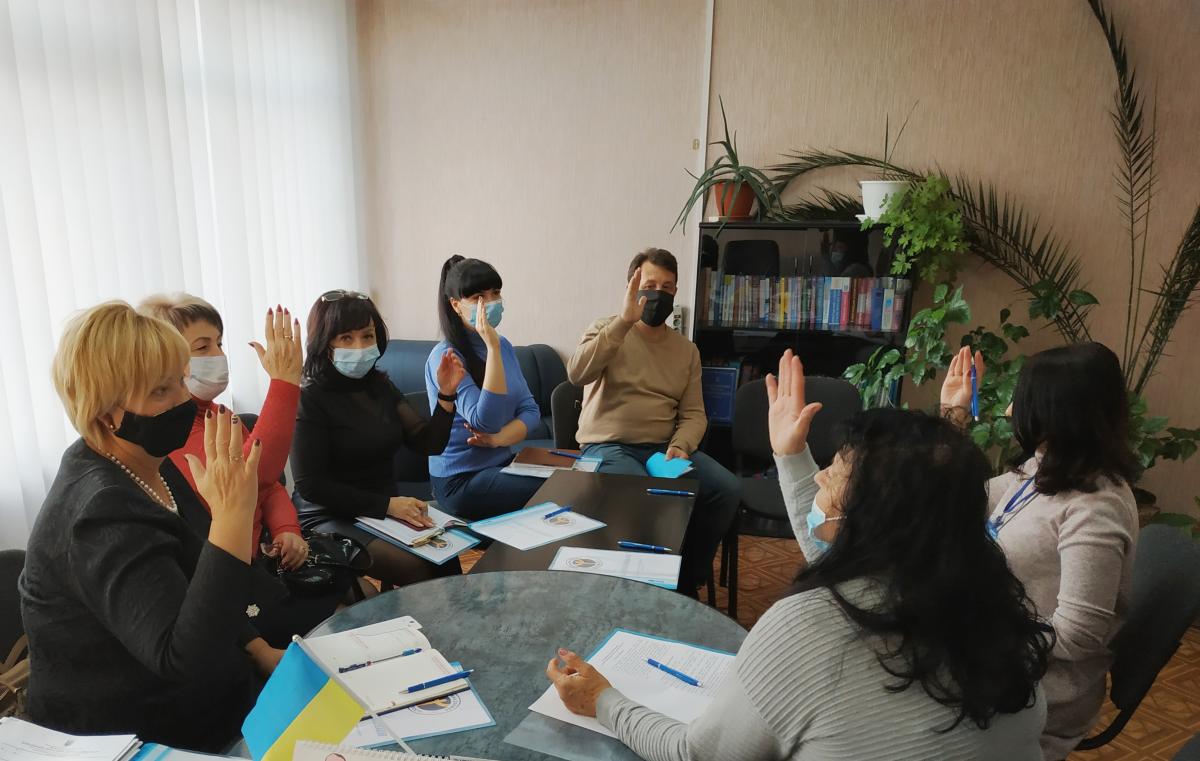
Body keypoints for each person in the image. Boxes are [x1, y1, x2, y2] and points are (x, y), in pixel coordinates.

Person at [546, 349, 1051, 760]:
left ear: (874, 519)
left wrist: (603, 700)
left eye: (837, 472)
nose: (822, 477)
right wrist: (790, 455)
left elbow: (697, 754)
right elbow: (849, 567)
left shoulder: (806, 626)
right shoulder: (995, 605)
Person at [19, 301, 275, 750]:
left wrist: (258, 648)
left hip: (210, 700)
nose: (182, 399)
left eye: (180, 380)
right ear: (106, 414)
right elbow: (185, 659)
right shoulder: (102, 508)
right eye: (160, 391)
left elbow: (196, 576)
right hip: (139, 734)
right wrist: (232, 515)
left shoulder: (147, 463)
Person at [941, 342, 1139, 759]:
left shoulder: (1095, 509)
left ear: (1056, 413)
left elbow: (1077, 637)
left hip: (1039, 693)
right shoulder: (1043, 468)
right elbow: (953, 497)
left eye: (1022, 400)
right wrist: (952, 418)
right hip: (997, 658)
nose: (1011, 410)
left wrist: (979, 637)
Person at [137, 293, 343, 646]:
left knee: (357, 593)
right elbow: (249, 481)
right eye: (202, 347)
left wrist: (287, 529)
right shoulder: (173, 432)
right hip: (233, 586)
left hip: (265, 564)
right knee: (343, 619)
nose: (217, 355)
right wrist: (283, 384)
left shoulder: (219, 414)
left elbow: (270, 486)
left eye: (218, 343)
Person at [565, 248, 740, 594]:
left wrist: (681, 445)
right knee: (647, 495)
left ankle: (686, 578)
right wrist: (623, 322)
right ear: (632, 287)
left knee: (726, 489)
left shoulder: (686, 350)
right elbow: (577, 373)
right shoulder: (605, 328)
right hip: (607, 447)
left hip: (661, 450)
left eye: (667, 287)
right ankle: (640, 585)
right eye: (649, 285)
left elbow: (694, 414)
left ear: (675, 292)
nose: (658, 294)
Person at [291, 289, 466, 587]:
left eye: (367, 336)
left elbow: (429, 443)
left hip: (382, 508)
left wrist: (446, 396)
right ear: (324, 343)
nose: (359, 346)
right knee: (417, 568)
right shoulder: (309, 397)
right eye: (346, 338)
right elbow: (311, 485)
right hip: (328, 516)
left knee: (446, 554)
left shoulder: (380, 386)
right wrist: (387, 505)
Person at [427, 256, 545, 519]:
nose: (490, 302)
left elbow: (531, 410)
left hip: (502, 463)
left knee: (575, 478)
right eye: (478, 297)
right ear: (456, 305)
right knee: (556, 489)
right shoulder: (445, 356)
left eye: (495, 293)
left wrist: (500, 439)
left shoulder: (504, 346)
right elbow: (485, 422)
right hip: (461, 479)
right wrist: (491, 348)